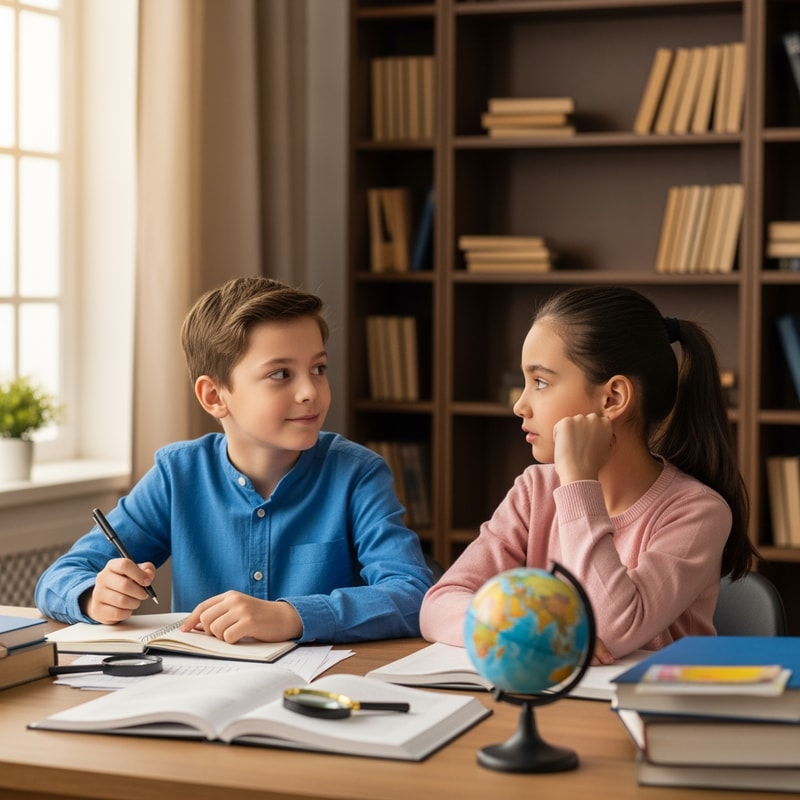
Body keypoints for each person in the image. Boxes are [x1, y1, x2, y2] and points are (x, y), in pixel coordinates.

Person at [36, 277, 433, 643]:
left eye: (318, 368)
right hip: (200, 689)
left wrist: (292, 616)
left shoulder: (358, 473)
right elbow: (57, 579)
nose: (310, 390)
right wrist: (92, 595)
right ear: (214, 396)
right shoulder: (178, 475)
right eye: (281, 374)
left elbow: (412, 594)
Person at [420, 285, 754, 663]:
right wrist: (526, 632)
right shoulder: (535, 490)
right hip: (557, 706)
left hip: (646, 714)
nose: (519, 405)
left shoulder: (698, 513)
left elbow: (613, 629)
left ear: (612, 399)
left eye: (541, 382)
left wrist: (580, 482)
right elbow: (438, 604)